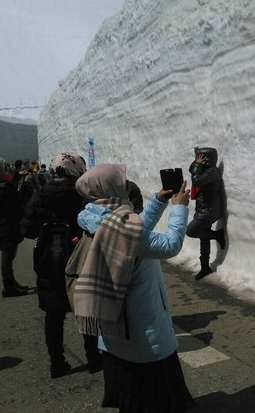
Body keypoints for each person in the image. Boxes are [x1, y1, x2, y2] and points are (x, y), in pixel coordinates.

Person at [74, 163, 195, 412]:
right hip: (143, 334)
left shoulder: (96, 218)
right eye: (121, 183)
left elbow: (135, 231)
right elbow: (170, 245)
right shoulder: (121, 229)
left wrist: (158, 202)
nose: (126, 187)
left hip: (114, 327)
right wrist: (180, 207)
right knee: (155, 402)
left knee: (132, 398)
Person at [20, 152, 101, 379]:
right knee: (86, 309)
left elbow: (27, 230)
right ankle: (94, 358)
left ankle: (57, 363)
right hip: (80, 258)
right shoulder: (83, 194)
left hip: (49, 260)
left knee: (53, 315)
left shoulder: (40, 194)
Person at [0, 157, 31, 297]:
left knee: (9, 255)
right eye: (4, 166)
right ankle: (8, 286)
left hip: (4, 226)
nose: (8, 168)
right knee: (8, 256)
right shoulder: (2, 188)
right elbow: (18, 201)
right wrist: (25, 185)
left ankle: (11, 282)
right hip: (7, 226)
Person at [187, 147, 225, 280]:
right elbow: (191, 170)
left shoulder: (211, 172)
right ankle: (205, 268)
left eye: (200, 156)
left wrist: (198, 164)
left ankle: (217, 234)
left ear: (206, 158)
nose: (198, 159)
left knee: (190, 231)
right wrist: (196, 161)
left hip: (208, 212)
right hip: (203, 210)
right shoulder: (205, 170)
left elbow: (196, 181)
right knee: (204, 238)